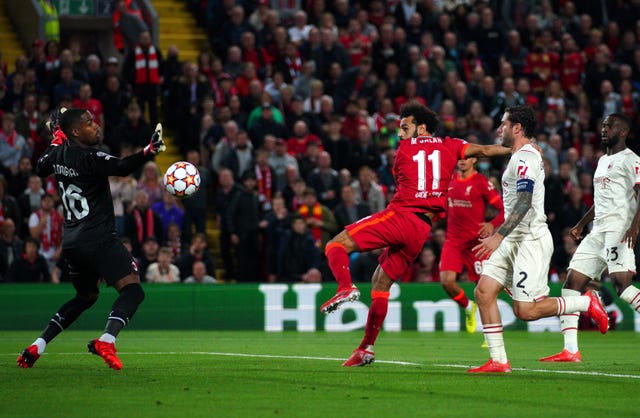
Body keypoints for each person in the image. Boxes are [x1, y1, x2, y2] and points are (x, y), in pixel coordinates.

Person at [321, 101, 514, 367]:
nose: (400, 134)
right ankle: (366, 347)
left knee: (334, 245)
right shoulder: (451, 145)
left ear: (421, 128)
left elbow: (402, 179)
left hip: (401, 216)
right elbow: (485, 150)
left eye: (404, 127)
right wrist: (519, 146)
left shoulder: (401, 152)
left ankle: (345, 287)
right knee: (381, 284)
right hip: (421, 229)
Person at [16, 107, 166, 370]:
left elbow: (40, 168)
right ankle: (106, 340)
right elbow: (120, 166)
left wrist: (55, 138)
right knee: (133, 291)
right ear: (75, 131)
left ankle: (37, 346)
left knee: (86, 297)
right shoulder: (90, 157)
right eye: (88, 123)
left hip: (73, 244)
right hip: (99, 239)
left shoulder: (57, 153)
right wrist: (149, 152)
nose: (95, 125)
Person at [467, 106, 608, 373]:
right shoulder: (520, 154)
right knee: (484, 292)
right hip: (512, 239)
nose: (499, 129)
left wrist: (498, 235)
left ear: (516, 128)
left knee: (526, 311)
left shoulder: (525, 158)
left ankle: (586, 302)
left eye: (503, 124)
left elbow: (524, 201)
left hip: (529, 240)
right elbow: (492, 151)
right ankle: (498, 360)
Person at [540, 113, 640, 363]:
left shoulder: (631, 160)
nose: (604, 129)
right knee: (571, 284)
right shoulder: (602, 161)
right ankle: (571, 350)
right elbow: (600, 201)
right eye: (603, 125)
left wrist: (634, 228)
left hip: (619, 228)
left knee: (623, 286)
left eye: (610, 125)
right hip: (597, 231)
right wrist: (581, 224)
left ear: (624, 131)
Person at [439, 157, 505, 334]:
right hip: (453, 240)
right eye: (459, 158)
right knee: (447, 281)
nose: (462, 161)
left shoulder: (481, 182)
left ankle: (490, 333)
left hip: (476, 243)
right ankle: (468, 307)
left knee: (484, 290)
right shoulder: (449, 180)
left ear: (474, 160)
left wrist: (492, 224)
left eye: (466, 157)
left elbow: (504, 209)